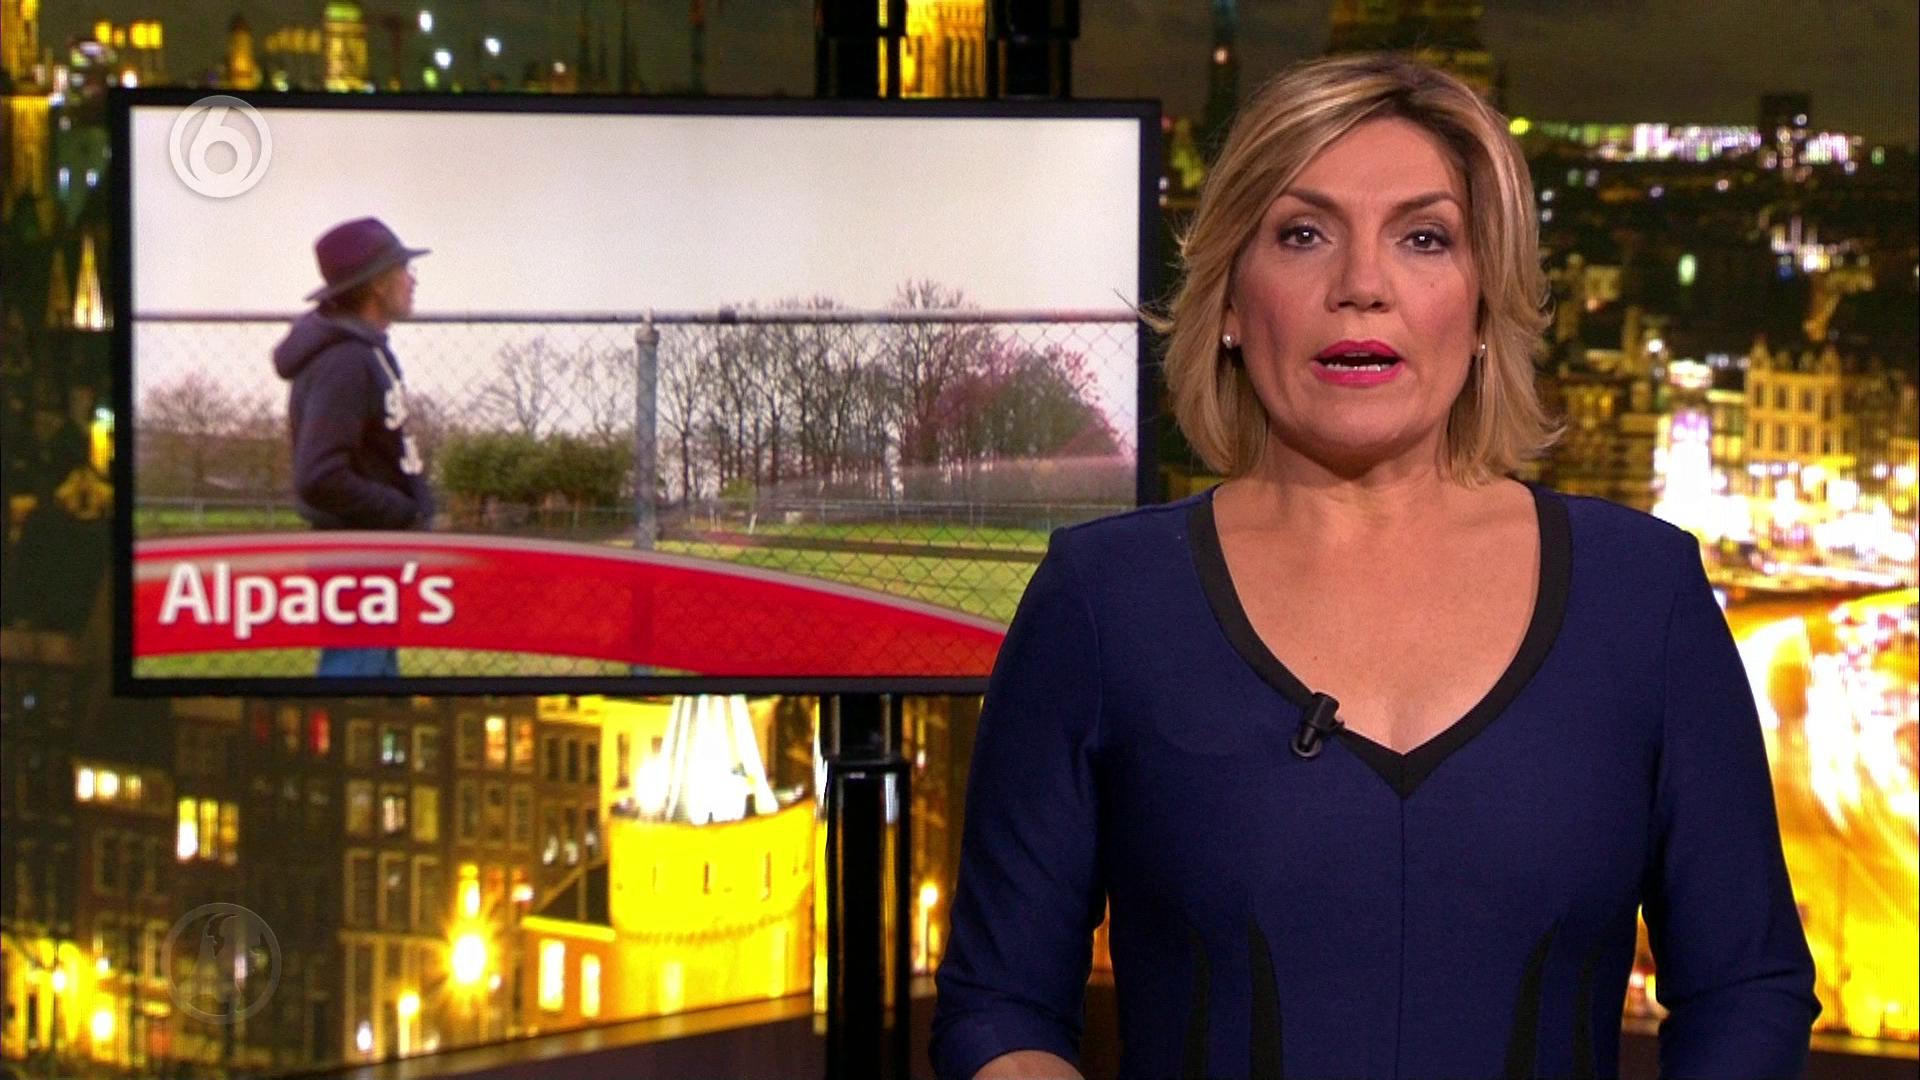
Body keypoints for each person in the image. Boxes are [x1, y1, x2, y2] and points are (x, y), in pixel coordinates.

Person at [930, 54, 1818, 1080]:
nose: (1361, 286)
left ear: (1483, 307)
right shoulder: (1102, 601)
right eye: (1302, 235)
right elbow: (999, 1006)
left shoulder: (1643, 595)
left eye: (1424, 238)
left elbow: (1747, 989)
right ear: (1229, 300)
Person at [273, 217, 433, 677]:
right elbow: (319, 475)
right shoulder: (344, 361)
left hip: (372, 556)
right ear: (379, 284)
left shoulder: (366, 350)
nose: (413, 280)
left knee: (374, 676)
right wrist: (400, 511)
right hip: (357, 561)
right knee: (353, 676)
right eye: (403, 270)